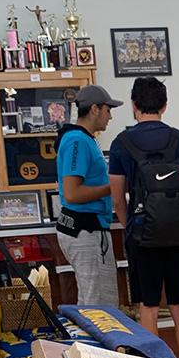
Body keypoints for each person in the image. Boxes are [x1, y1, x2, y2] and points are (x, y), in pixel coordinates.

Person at [109, 77, 179, 358]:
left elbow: (117, 199)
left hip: (142, 236)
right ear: (164, 105)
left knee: (148, 306)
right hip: (177, 235)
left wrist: (131, 225)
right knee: (178, 306)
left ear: (134, 106)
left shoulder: (121, 143)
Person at [55, 84, 122, 306]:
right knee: (96, 303)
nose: (110, 117)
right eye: (108, 110)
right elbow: (72, 193)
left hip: (91, 228)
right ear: (95, 109)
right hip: (84, 229)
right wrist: (113, 187)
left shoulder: (85, 139)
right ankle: (93, 343)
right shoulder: (77, 140)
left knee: (100, 299)